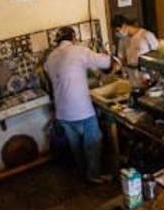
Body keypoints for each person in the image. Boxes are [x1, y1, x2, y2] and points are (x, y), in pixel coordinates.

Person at [43, 26, 117, 184]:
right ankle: (94, 176)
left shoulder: (51, 57)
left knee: (76, 146)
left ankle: (83, 173)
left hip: (62, 113)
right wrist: (112, 59)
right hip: (81, 111)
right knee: (93, 143)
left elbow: (61, 77)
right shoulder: (78, 51)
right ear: (73, 37)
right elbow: (106, 62)